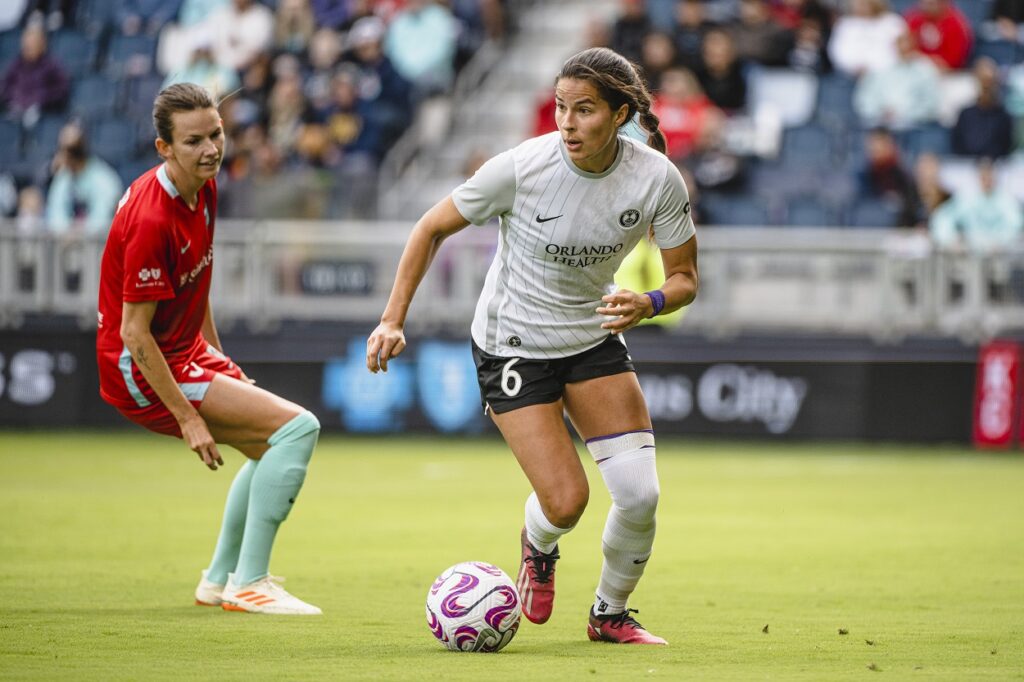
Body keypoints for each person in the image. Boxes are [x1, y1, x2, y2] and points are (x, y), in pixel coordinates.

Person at [366, 47, 699, 645]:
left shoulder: (656, 178)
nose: (567, 123)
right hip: (512, 345)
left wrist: (647, 303)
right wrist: (392, 320)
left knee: (641, 495)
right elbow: (430, 227)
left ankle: (609, 614)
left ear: (621, 114)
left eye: (585, 111)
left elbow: (685, 280)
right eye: (561, 108)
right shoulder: (520, 168)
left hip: (592, 339)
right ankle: (538, 545)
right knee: (567, 501)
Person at [95, 83, 322, 615]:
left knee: (268, 445)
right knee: (298, 428)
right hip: (140, 367)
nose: (211, 149)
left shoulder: (205, 184)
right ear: (163, 148)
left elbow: (197, 282)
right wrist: (188, 418)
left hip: (180, 350)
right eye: (194, 141)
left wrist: (216, 360)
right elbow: (133, 333)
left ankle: (219, 579)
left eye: (216, 134)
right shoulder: (153, 219)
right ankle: (250, 583)